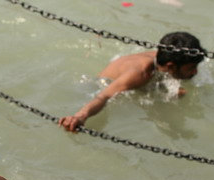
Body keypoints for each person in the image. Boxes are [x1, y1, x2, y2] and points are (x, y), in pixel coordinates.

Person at [59, 31, 205, 132]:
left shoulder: (165, 57)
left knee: (180, 93)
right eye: (191, 68)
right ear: (171, 66)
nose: (195, 72)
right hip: (98, 85)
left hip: (132, 77)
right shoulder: (139, 73)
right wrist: (80, 116)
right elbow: (103, 96)